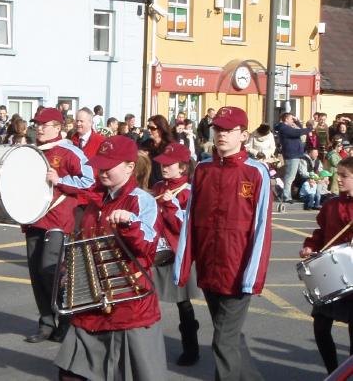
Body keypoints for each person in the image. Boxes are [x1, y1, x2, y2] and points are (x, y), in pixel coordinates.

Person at [54, 135, 168, 381]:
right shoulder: (96, 199)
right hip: (90, 301)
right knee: (70, 374)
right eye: (100, 164)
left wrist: (130, 223)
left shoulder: (141, 200)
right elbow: (82, 242)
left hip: (128, 304)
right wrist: (68, 272)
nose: (102, 170)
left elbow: (147, 247)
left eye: (110, 164)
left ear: (129, 167)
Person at [175, 106, 272, 381]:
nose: (222, 135)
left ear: (243, 134)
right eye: (218, 129)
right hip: (209, 267)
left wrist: (252, 275)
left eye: (229, 130)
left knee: (223, 341)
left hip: (238, 270)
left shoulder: (256, 173)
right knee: (228, 334)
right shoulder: (203, 169)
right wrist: (185, 264)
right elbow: (190, 220)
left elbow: (261, 228)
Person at [24, 107, 94, 344]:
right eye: (38, 125)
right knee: (35, 271)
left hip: (58, 219)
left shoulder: (69, 151)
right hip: (34, 218)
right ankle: (46, 322)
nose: (40, 128)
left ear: (58, 127)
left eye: (45, 125)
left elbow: (90, 180)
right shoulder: (30, 151)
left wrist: (61, 180)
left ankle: (65, 317)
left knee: (51, 270)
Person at [300, 156, 353, 374]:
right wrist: (310, 247)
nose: (337, 179)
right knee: (320, 326)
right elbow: (321, 233)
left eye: (344, 176)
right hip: (332, 274)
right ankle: (333, 372)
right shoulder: (331, 204)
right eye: (337, 174)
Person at [151, 143, 200, 366]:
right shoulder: (159, 186)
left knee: (183, 303)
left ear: (182, 168)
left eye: (169, 164)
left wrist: (170, 205)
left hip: (177, 253)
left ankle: (191, 348)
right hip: (155, 251)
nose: (164, 167)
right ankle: (146, 346)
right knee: (146, 299)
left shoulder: (189, 192)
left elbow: (184, 227)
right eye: (162, 163)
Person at [275, 112, 313, 203]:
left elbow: (298, 129)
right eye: (291, 118)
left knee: (291, 176)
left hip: (296, 154)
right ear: (286, 119)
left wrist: (297, 121)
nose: (293, 120)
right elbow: (298, 132)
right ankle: (286, 196)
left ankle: (284, 193)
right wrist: (310, 128)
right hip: (292, 154)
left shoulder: (288, 127)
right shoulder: (284, 128)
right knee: (289, 176)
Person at [140, 115, 173, 187]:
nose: (149, 130)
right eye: (148, 127)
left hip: (163, 186)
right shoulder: (145, 144)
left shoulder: (170, 147)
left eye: (152, 128)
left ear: (161, 129)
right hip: (146, 185)